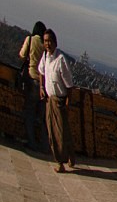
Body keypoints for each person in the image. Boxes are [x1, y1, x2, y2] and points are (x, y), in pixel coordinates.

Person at [38, 29, 75, 173]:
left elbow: (69, 84)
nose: (47, 44)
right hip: (49, 99)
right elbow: (41, 71)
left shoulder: (60, 60)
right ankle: (68, 157)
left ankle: (61, 162)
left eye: (49, 41)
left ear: (55, 42)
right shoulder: (45, 57)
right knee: (54, 130)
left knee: (60, 132)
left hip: (60, 100)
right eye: (45, 41)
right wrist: (41, 87)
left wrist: (67, 102)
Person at [18, 21, 47, 151]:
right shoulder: (46, 45)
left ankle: (32, 142)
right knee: (41, 117)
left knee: (29, 112)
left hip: (31, 79)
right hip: (44, 84)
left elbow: (22, 55)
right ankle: (44, 144)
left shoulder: (30, 40)